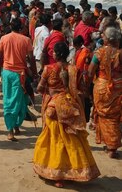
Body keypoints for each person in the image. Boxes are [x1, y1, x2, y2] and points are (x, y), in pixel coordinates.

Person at [33, 41, 100, 186]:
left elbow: (39, 88)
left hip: (53, 109)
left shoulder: (48, 69)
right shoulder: (75, 70)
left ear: (55, 54)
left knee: (54, 139)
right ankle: (74, 170)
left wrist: (51, 92)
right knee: (71, 140)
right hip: (70, 107)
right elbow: (82, 89)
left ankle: (58, 175)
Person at [0, 17, 37, 141]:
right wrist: (34, 73)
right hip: (20, 74)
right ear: (21, 28)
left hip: (7, 73)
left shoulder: (4, 38)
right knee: (18, 100)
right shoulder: (26, 40)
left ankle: (13, 127)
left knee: (9, 100)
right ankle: (12, 128)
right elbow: (31, 59)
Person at [88, 26, 122, 158]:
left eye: (103, 36)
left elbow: (91, 70)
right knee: (114, 115)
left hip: (102, 86)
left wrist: (88, 86)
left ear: (107, 39)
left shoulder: (99, 52)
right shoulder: (120, 53)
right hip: (118, 86)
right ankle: (111, 146)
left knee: (103, 115)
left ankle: (111, 146)